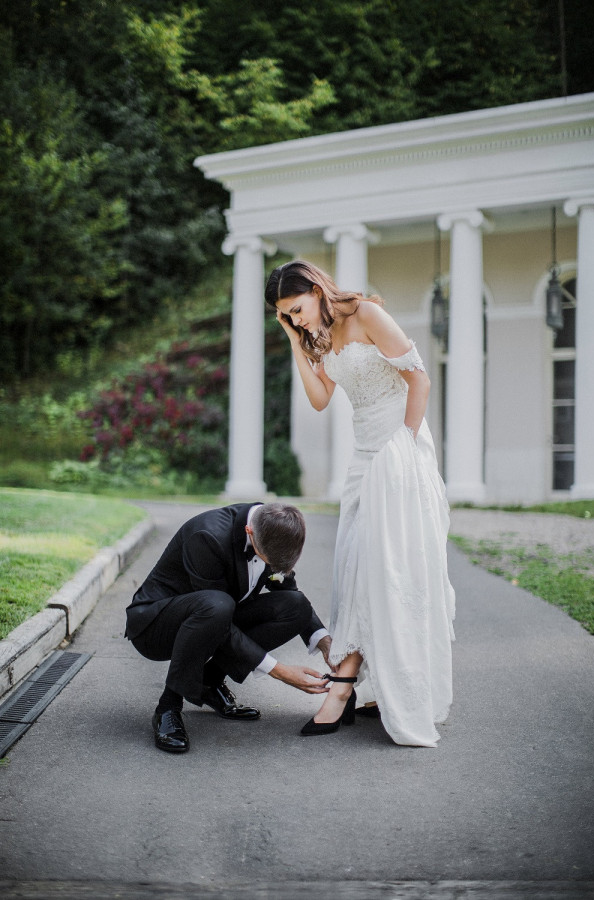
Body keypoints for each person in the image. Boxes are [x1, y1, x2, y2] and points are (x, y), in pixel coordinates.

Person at [265, 260, 455, 747]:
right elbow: (320, 399)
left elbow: (419, 380)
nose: (297, 319)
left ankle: (344, 688)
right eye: (286, 316)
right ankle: (369, 690)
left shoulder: (366, 314)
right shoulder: (317, 338)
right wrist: (294, 342)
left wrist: (406, 449)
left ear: (315, 288)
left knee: (384, 567)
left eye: (297, 309)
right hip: (361, 460)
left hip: (398, 449)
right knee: (354, 568)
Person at [125, 501, 331, 752]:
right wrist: (280, 671)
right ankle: (168, 707)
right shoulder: (207, 536)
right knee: (217, 605)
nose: (273, 569)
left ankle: (209, 683)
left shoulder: (274, 528)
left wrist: (325, 643)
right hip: (155, 626)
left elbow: (288, 591)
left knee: (295, 605)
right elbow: (218, 621)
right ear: (250, 533)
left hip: (214, 615)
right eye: (269, 562)